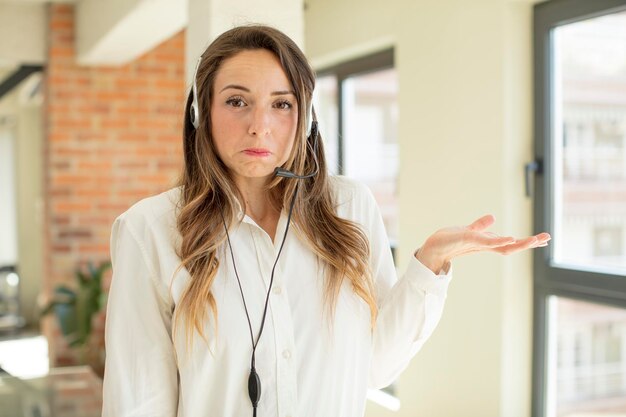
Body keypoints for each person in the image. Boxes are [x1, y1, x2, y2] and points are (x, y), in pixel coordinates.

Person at [101, 25, 550, 417]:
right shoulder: (149, 231)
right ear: (201, 114)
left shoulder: (349, 207)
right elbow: (139, 403)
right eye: (237, 101)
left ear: (308, 121)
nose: (260, 125)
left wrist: (428, 266)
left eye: (282, 104)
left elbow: (373, 366)